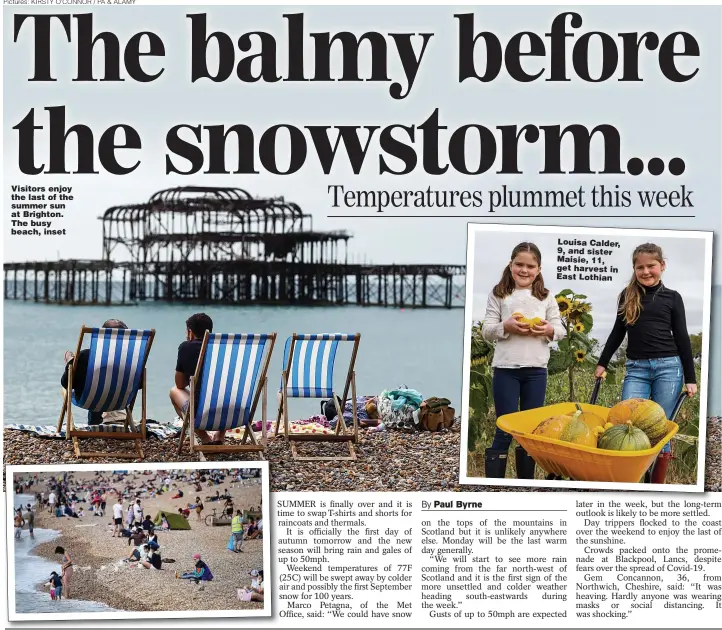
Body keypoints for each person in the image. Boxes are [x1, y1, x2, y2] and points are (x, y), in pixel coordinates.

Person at [595, 243, 697, 484]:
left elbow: (682, 337)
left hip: (669, 368)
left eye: (651, 266)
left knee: (661, 429)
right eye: (640, 267)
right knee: (627, 422)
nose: (646, 271)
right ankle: (630, 480)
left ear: (662, 266)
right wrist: (602, 364)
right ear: (634, 269)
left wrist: (690, 378)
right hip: (636, 369)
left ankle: (655, 486)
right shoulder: (627, 296)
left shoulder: (673, 298)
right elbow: (616, 333)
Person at [481, 242, 566, 479]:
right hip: (506, 369)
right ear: (510, 265)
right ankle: (495, 484)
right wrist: (505, 327)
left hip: (537, 371)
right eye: (519, 264)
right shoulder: (498, 294)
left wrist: (549, 330)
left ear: (539, 269)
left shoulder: (547, 297)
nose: (524, 270)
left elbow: (560, 329)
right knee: (504, 427)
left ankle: (525, 483)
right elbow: (486, 331)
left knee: (530, 430)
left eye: (530, 266)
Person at [61, 319, 129, 425]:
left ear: (102, 337)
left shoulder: (86, 356)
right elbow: (139, 385)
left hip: (89, 400)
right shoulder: (132, 360)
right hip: (121, 400)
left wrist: (70, 364)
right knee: (100, 387)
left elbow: (67, 384)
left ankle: (93, 424)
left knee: (94, 391)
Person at [170, 313, 225, 445]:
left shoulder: (186, 347)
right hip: (232, 412)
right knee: (224, 394)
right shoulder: (224, 347)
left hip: (201, 413)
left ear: (190, 332)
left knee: (174, 391)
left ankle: (204, 437)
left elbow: (180, 384)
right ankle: (220, 435)